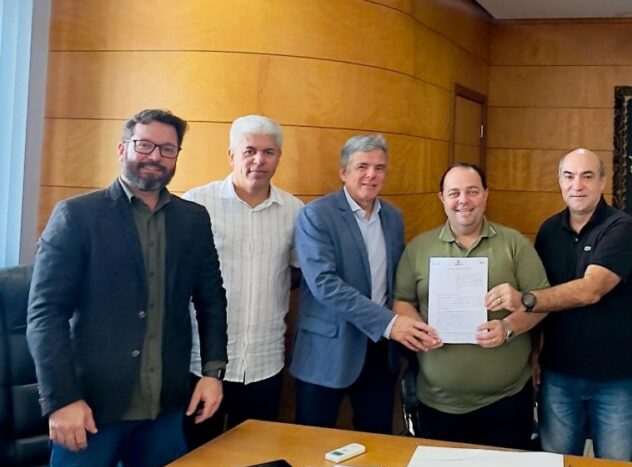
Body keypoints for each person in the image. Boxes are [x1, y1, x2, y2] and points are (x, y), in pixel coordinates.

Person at [27, 109, 227, 467]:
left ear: (176, 156)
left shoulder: (193, 220)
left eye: (167, 149)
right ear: (123, 149)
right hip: (90, 409)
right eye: (145, 145)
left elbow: (211, 299)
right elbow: (45, 314)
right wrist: (61, 400)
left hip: (164, 406)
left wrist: (212, 372)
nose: (155, 156)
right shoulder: (77, 215)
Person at [486, 148, 632, 461]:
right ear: (560, 182)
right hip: (559, 374)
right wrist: (534, 352)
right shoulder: (548, 230)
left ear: (602, 182)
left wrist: (524, 299)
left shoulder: (621, 228)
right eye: (569, 176)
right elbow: (543, 296)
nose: (577, 185)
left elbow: (591, 290)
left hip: (617, 379)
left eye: (587, 176)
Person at [393, 163, 548, 448]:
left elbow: (541, 301)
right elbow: (402, 300)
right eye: (454, 193)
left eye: (472, 191)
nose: (463, 200)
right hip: (439, 403)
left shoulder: (514, 244)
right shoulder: (419, 248)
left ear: (486, 194)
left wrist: (508, 327)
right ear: (442, 198)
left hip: (507, 400)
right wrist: (417, 328)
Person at [291, 134, 438, 433]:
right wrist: (390, 323)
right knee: (311, 442)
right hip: (328, 352)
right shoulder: (316, 215)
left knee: (377, 440)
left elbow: (397, 279)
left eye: (379, 168)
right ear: (344, 172)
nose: (371, 175)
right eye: (362, 167)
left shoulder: (393, 217)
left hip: (380, 352)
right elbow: (324, 284)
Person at [181, 115, 303, 449]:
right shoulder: (195, 204)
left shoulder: (294, 210)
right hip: (201, 364)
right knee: (196, 462)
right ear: (232, 154)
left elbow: (298, 272)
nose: (259, 160)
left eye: (269, 152)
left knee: (253, 461)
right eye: (249, 151)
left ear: (278, 157)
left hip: (265, 362)